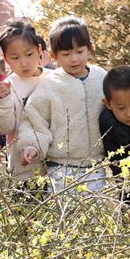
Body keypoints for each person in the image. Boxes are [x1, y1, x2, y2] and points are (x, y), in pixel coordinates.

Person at [18, 17, 107, 192]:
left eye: (79, 51)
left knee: (97, 216)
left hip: (96, 166)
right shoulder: (50, 84)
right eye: (66, 54)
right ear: (53, 55)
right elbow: (35, 119)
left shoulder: (101, 77)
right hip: (60, 168)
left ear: (89, 48)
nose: (74, 59)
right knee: (64, 215)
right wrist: (33, 146)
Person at [0, 19, 51, 179]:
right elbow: (4, 128)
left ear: (39, 50)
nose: (24, 63)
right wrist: (3, 100)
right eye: (15, 57)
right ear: (6, 59)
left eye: (29, 54)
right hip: (21, 168)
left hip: (54, 166)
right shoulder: (8, 87)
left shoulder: (53, 79)